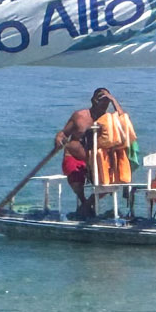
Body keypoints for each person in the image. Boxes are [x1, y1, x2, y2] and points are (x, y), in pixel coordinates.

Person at [55, 88, 123, 218]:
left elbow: (123, 118)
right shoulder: (80, 116)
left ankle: (87, 205)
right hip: (74, 155)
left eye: (106, 101)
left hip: (95, 159)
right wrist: (58, 138)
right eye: (101, 100)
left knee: (109, 182)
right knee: (76, 179)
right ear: (93, 100)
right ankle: (84, 202)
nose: (103, 104)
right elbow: (64, 133)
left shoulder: (108, 119)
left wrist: (113, 99)